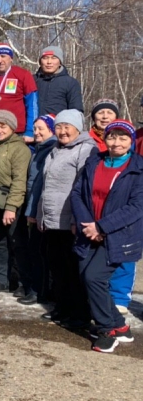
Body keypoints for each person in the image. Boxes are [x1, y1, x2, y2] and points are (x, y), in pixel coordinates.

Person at [71, 120, 142, 353]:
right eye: (113, 137)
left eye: (123, 138)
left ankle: (106, 330)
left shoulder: (137, 169)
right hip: (88, 231)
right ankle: (120, 327)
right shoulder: (94, 162)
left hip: (119, 235)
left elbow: (136, 207)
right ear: (106, 139)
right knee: (86, 278)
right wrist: (88, 226)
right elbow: (77, 194)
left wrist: (101, 227)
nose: (117, 142)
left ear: (131, 141)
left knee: (94, 278)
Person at [36, 109, 95, 325]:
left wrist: (75, 220)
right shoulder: (55, 149)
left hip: (70, 220)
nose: (62, 131)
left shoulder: (86, 150)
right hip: (51, 219)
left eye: (67, 127)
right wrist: (40, 214)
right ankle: (62, 307)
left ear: (78, 128)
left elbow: (83, 187)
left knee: (73, 270)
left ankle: (79, 314)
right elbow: (46, 185)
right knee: (57, 267)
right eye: (59, 127)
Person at [0, 110, 31, 293]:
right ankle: (1, 280)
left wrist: (11, 207)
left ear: (12, 127)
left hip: (13, 202)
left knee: (17, 243)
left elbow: (20, 181)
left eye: (2, 126)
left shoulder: (20, 149)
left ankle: (23, 282)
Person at [21, 114, 57, 305]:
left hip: (41, 210)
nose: (36, 133)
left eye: (41, 129)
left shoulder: (51, 149)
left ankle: (39, 291)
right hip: (34, 207)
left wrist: (34, 211)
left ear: (51, 130)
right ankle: (36, 288)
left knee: (40, 253)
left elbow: (41, 184)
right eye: (34, 129)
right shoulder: (38, 149)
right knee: (36, 251)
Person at [0, 43, 38, 142]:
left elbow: (32, 105)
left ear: (11, 58)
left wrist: (30, 131)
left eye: (3, 56)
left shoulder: (23, 75)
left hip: (17, 132)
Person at [34, 45, 83, 116]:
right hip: (34, 125)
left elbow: (76, 111)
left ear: (60, 62)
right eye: (45, 58)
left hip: (58, 125)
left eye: (54, 58)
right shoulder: (32, 80)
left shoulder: (70, 82)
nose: (49, 62)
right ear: (40, 62)